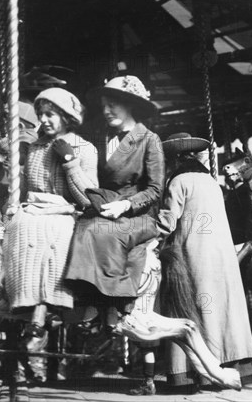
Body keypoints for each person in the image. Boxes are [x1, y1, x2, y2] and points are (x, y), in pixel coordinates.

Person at [157, 132, 252, 392]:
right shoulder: (210, 181)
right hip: (220, 254)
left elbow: (167, 222)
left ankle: (193, 373)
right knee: (221, 309)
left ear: (176, 159)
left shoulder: (178, 181)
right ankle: (230, 363)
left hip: (194, 252)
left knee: (191, 308)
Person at [65, 75, 165, 335]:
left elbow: (155, 190)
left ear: (129, 104)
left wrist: (125, 206)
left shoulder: (148, 139)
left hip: (137, 215)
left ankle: (111, 302)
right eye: (104, 105)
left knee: (102, 233)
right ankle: (85, 298)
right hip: (104, 206)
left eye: (113, 105)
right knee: (80, 227)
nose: (107, 111)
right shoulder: (100, 136)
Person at [3, 88, 98, 351]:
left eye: (50, 114)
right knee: (15, 227)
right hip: (32, 207)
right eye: (41, 114)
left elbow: (88, 198)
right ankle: (16, 301)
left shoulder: (85, 149)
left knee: (54, 234)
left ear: (66, 117)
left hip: (63, 210)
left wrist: (70, 162)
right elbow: (22, 189)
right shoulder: (34, 148)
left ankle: (42, 312)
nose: (44, 119)